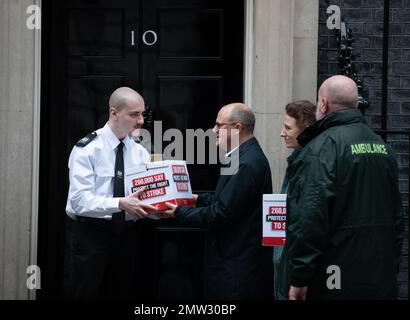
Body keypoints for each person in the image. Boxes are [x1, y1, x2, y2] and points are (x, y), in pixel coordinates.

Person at [278, 75, 405, 300]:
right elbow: (397, 218)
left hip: (333, 278)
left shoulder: (319, 150)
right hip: (378, 276)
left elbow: (308, 220)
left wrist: (299, 278)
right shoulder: (381, 147)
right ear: (355, 104)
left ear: (324, 104)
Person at [161, 103, 274, 300]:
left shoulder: (246, 163)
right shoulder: (241, 157)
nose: (213, 131)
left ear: (237, 128)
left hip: (236, 268)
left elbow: (221, 213)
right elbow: (226, 200)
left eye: (219, 125)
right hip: (232, 261)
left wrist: (179, 212)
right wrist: (194, 199)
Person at [64, 87, 157, 299]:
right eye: (134, 114)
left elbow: (141, 199)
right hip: (91, 236)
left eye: (142, 113)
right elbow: (78, 201)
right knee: (84, 294)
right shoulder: (87, 149)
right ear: (114, 113)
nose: (141, 120)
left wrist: (158, 209)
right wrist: (120, 204)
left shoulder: (140, 152)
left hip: (127, 236)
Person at [273, 100, 316, 300]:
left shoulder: (307, 163)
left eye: (288, 128)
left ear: (304, 130)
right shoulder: (297, 160)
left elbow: (305, 221)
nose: (282, 133)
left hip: (293, 260)